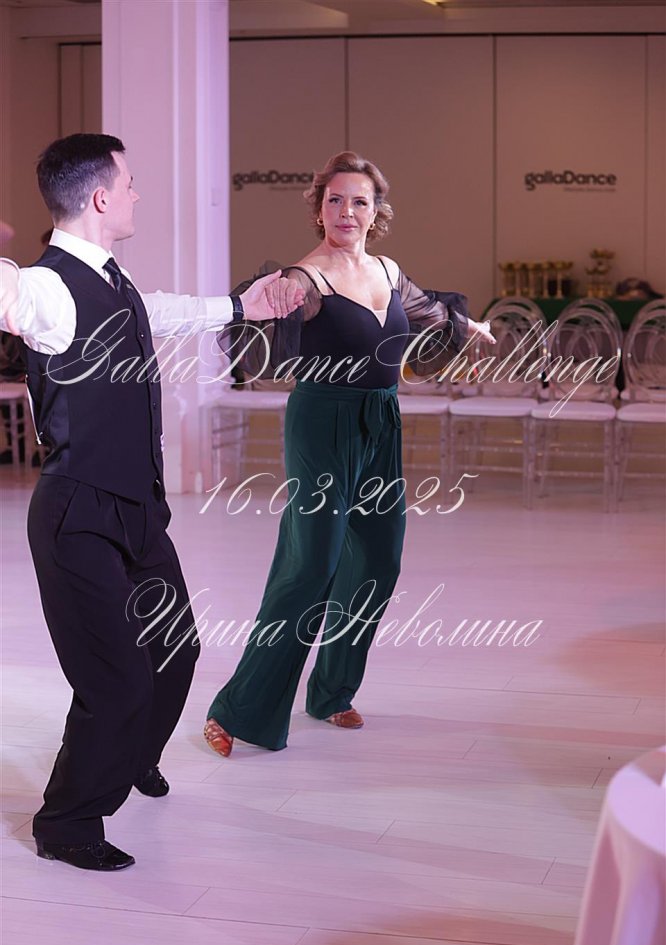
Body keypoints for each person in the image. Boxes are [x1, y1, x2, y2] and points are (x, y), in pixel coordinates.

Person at [0, 133, 304, 871]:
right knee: (114, 678)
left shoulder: (114, 279)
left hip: (135, 506)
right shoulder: (44, 288)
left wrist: (240, 305)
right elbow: (8, 295)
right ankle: (66, 823)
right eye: (129, 183)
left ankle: (131, 753)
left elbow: (157, 312)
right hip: (78, 514)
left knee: (175, 648)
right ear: (101, 197)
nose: (137, 194)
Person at [204, 150, 495, 757]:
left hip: (381, 421)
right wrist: (270, 300)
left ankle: (332, 690)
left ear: (375, 210)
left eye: (358, 201)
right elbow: (263, 319)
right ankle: (237, 709)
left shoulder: (387, 270)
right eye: (334, 199)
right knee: (311, 564)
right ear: (318, 209)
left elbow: (427, 310)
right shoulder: (307, 278)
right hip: (322, 424)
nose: (346, 211)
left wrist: (468, 326)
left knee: (378, 560)